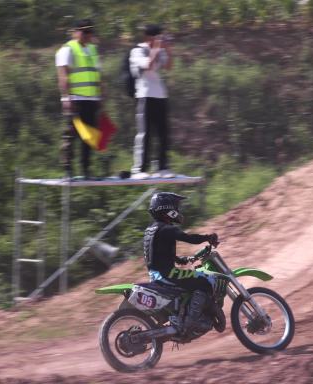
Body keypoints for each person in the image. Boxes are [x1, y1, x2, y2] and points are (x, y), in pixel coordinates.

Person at [143, 192, 224, 335]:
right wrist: (208, 237)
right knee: (204, 281)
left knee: (194, 281)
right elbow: (189, 238)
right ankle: (192, 321)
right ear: (168, 209)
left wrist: (182, 260)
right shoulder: (166, 228)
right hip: (166, 274)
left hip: (157, 274)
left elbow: (161, 253)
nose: (178, 210)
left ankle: (187, 313)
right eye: (176, 207)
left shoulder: (152, 229)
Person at [55, 19, 102, 179]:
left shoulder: (93, 50)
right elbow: (63, 75)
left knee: (89, 136)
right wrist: (66, 97)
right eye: (84, 31)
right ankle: (67, 170)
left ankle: (86, 170)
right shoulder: (67, 50)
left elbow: (98, 75)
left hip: (92, 99)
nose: (88, 35)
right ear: (75, 32)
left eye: (90, 32)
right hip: (75, 99)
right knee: (70, 135)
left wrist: (100, 95)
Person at [129, 24, 173, 179]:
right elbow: (147, 65)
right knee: (145, 133)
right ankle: (139, 169)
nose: (159, 40)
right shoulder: (137, 50)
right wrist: (155, 48)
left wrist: (167, 49)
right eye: (157, 37)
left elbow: (168, 67)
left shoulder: (159, 50)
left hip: (160, 95)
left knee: (163, 133)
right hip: (144, 95)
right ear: (149, 37)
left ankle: (162, 167)